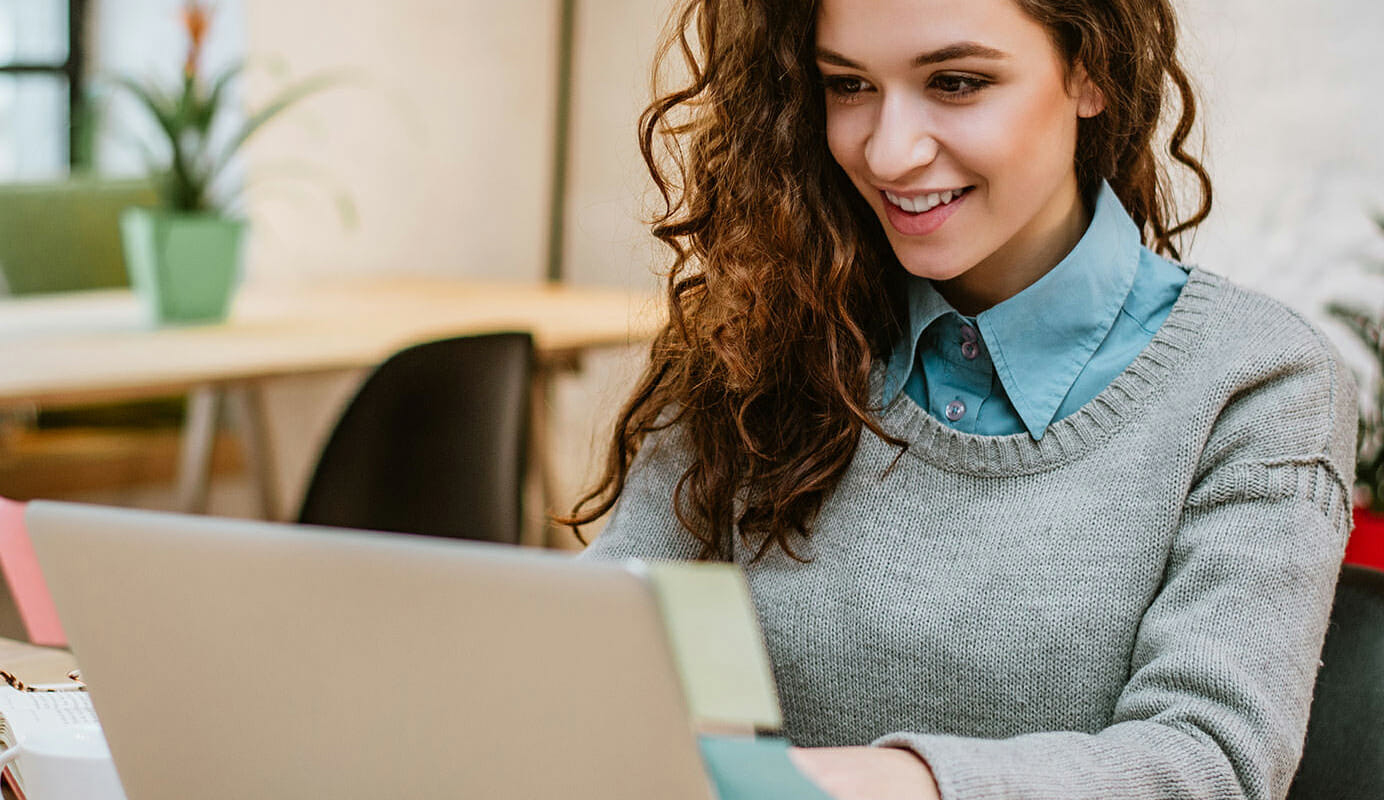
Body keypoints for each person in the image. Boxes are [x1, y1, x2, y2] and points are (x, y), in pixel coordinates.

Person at [568, 0, 1360, 798]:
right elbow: (602, 658)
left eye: (955, 82)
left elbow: (1210, 764)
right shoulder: (762, 331)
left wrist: (867, 784)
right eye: (848, 85)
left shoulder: (1257, 382)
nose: (889, 150)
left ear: (1091, 71)